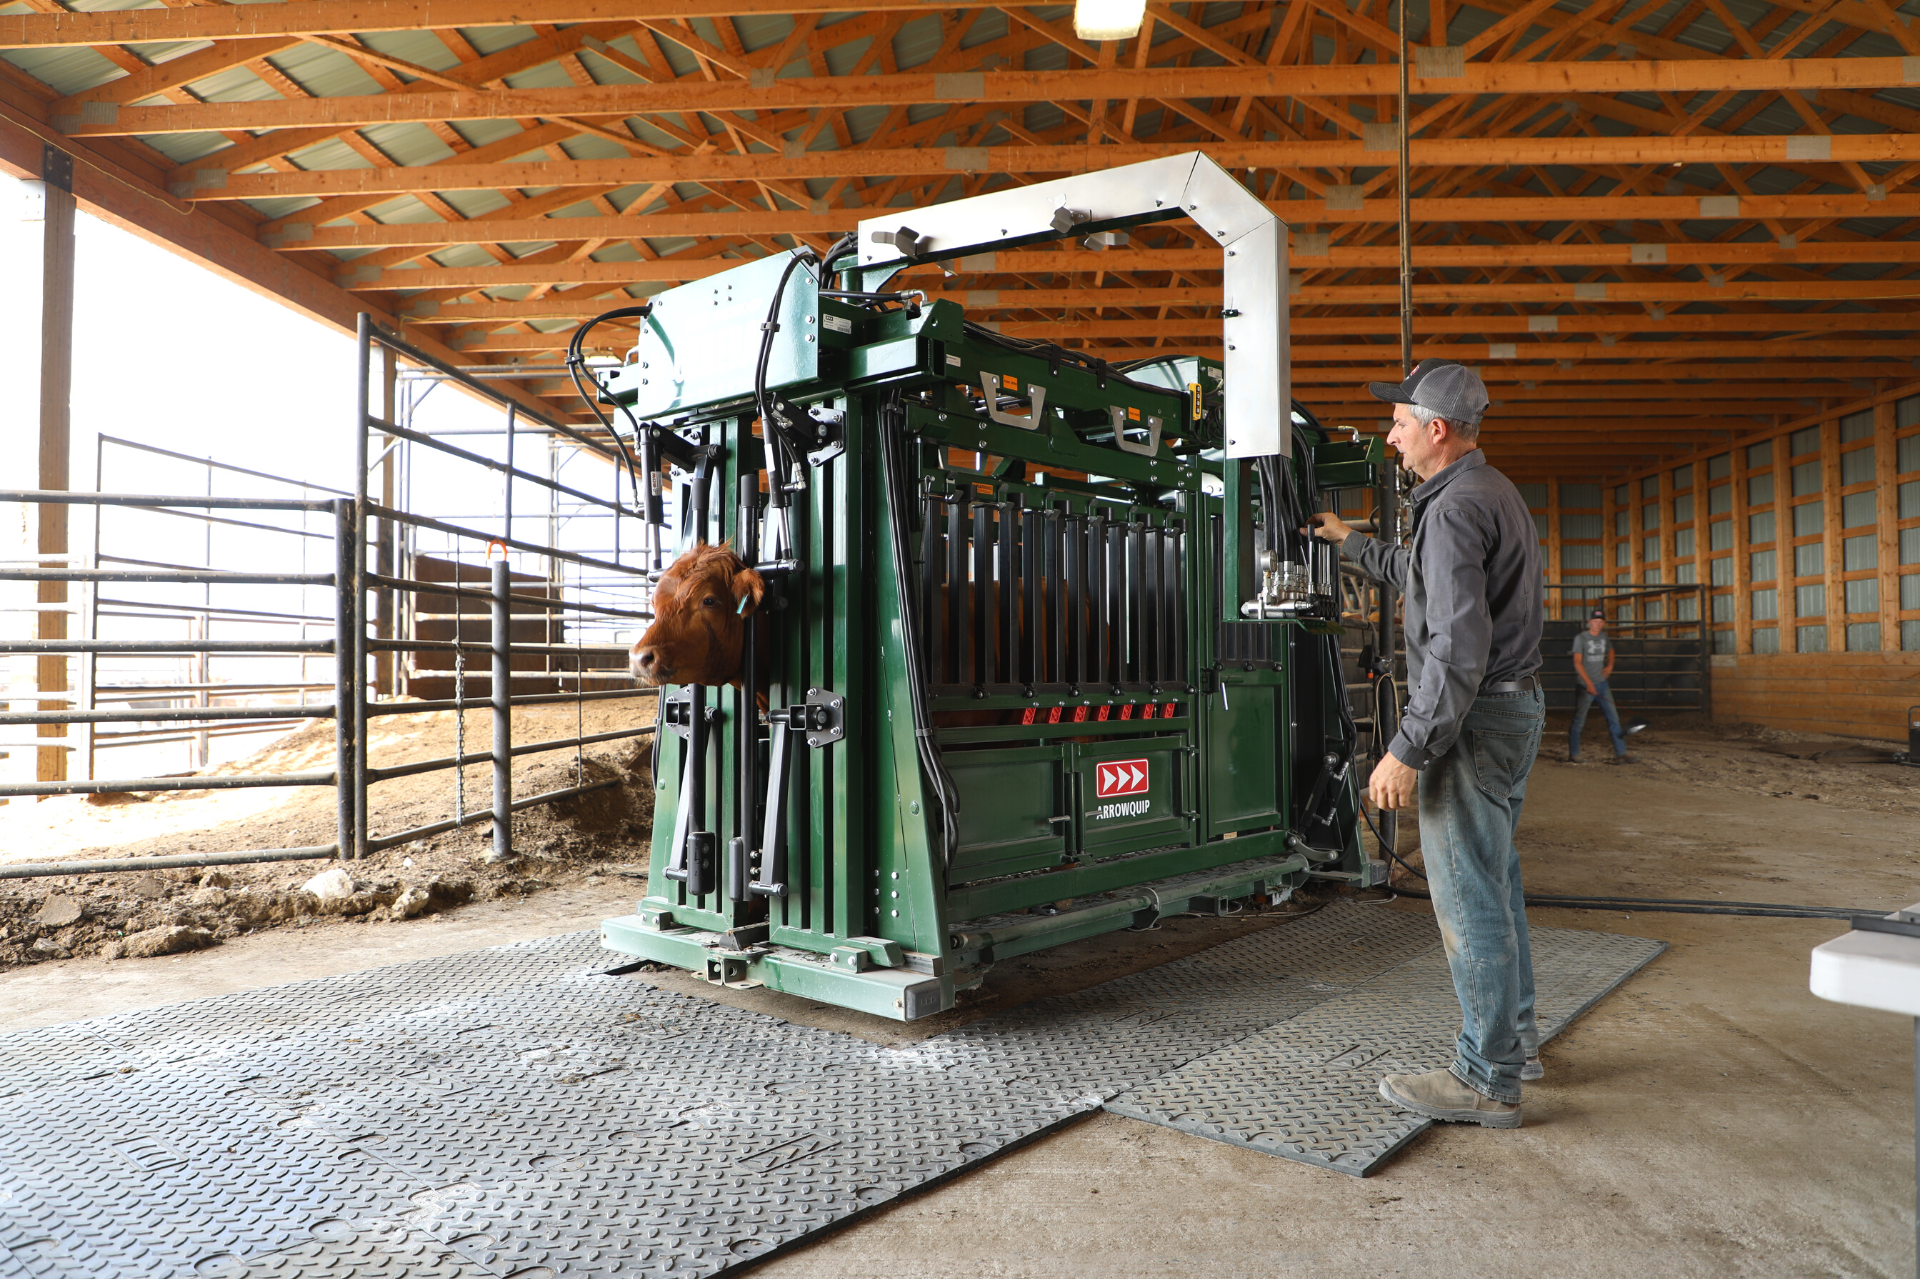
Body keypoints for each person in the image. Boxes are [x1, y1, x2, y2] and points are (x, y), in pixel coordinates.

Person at [1304, 358, 1546, 1129]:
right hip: (1514, 710)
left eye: (1401, 420)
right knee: (1495, 878)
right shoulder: (1487, 491)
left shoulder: (1451, 509)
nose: (1391, 432)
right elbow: (1424, 576)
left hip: (1470, 721)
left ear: (1437, 431)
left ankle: (1485, 1076)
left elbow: (1455, 650)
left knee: (1468, 893)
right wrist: (1348, 540)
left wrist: (1407, 748)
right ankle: (1518, 1042)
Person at [1569, 608, 1630, 764]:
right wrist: (1589, 683)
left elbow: (1611, 651)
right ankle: (1574, 753)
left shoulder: (1604, 637)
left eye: (1600, 621)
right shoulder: (1581, 638)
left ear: (1603, 623)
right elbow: (1577, 662)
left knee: (1613, 718)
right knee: (1579, 720)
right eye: (1595, 621)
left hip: (1601, 683)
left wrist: (1610, 665)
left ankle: (1621, 752)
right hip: (1585, 685)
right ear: (1590, 622)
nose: (1597, 624)